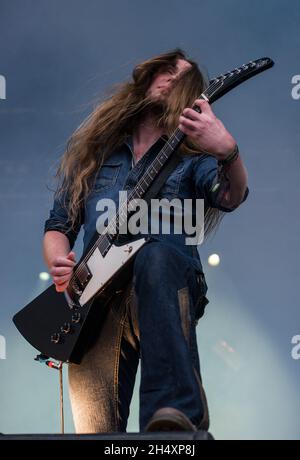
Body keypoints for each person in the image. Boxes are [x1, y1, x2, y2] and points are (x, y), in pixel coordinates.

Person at [43, 48, 249, 433]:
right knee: (98, 434)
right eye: (166, 70)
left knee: (154, 256)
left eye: (182, 76)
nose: (171, 77)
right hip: (95, 297)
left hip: (163, 282)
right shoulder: (99, 154)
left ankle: (172, 417)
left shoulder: (192, 157)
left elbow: (230, 196)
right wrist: (58, 261)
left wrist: (227, 151)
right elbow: (59, 222)